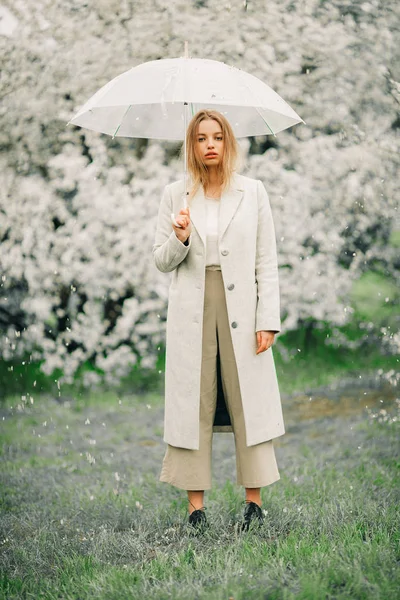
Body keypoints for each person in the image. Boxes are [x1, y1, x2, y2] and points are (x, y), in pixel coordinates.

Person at [152, 109, 285, 531]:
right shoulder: (176, 195)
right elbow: (161, 261)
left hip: (243, 309)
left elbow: (267, 260)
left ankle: (254, 503)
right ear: (191, 146)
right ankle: (195, 510)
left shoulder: (253, 191)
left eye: (217, 137)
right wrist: (181, 236)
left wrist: (268, 318)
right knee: (196, 401)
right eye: (200, 138)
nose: (210, 144)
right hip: (192, 308)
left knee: (248, 399)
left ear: (228, 143)